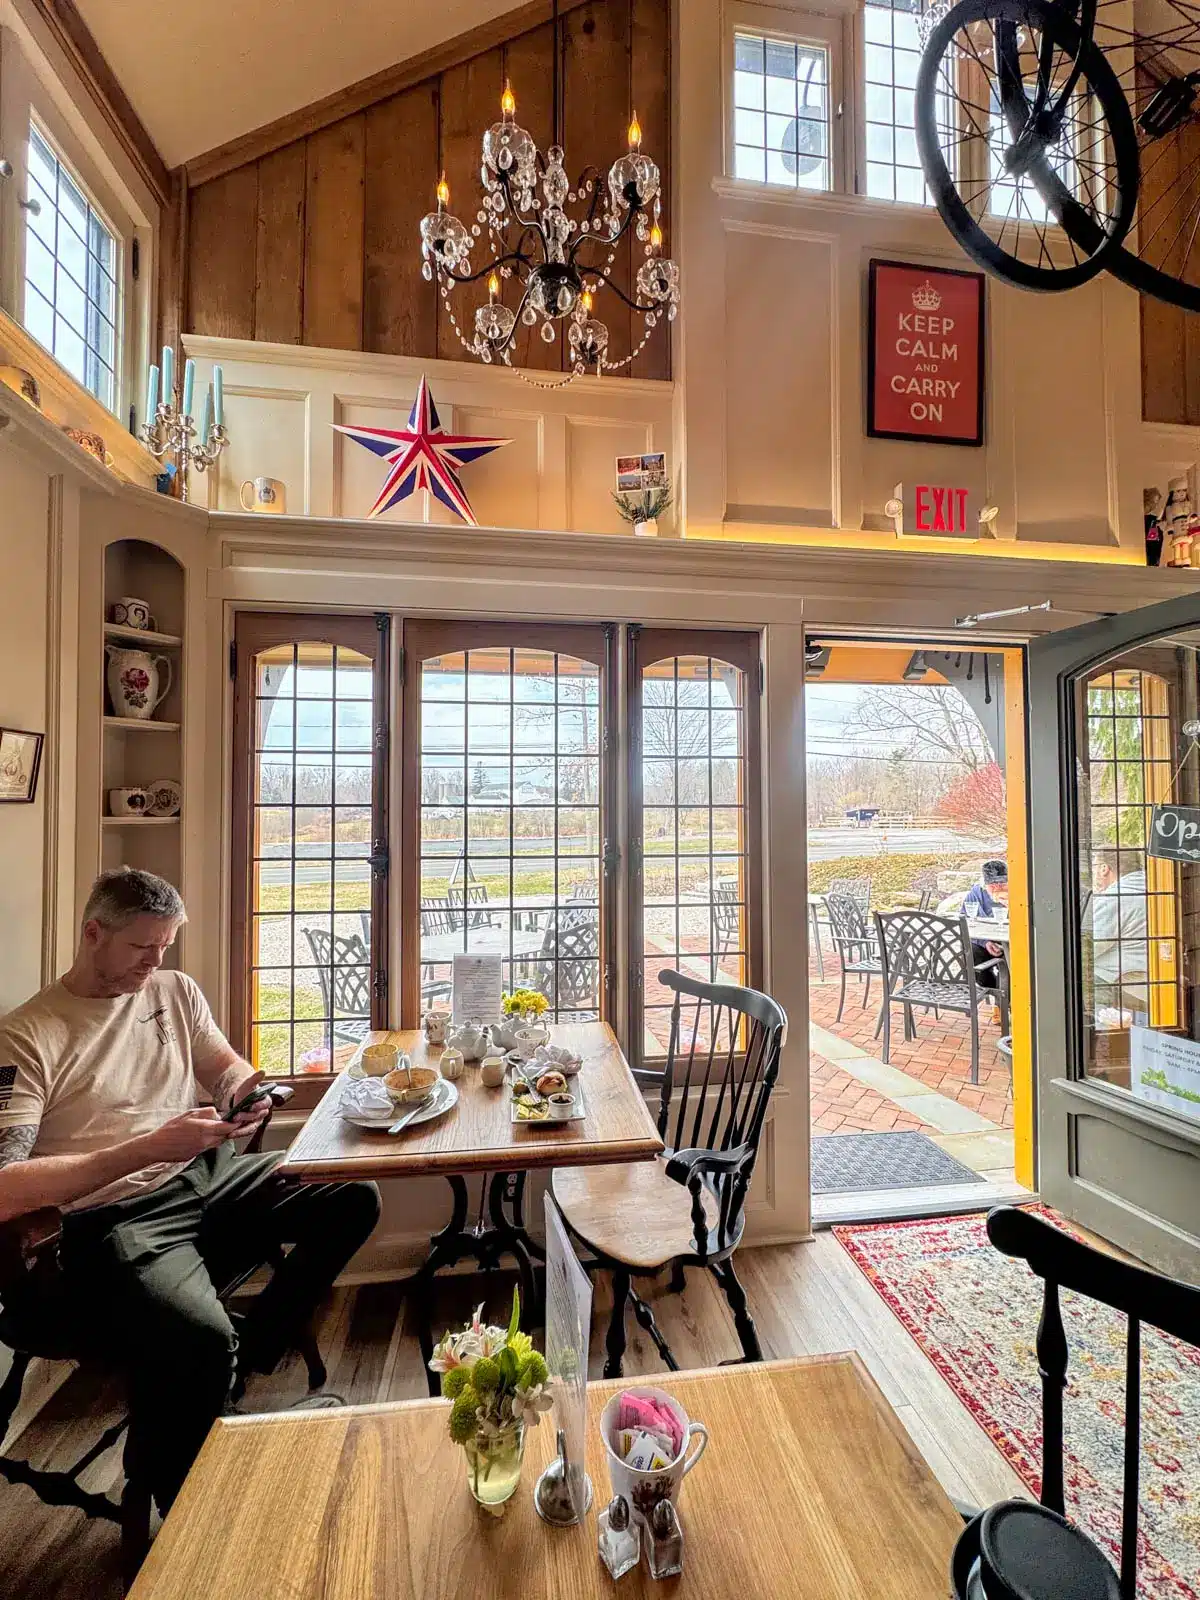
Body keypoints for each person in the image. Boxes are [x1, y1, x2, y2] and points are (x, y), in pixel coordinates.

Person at [0, 868, 381, 1513]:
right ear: (93, 934)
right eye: (141, 947)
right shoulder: (28, 1035)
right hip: (114, 1218)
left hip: (206, 1175)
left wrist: (244, 1093)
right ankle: (184, 1508)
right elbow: (5, 1188)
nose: (155, 962)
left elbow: (223, 1065)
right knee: (202, 1339)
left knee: (353, 1194)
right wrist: (147, 1149)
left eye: (164, 946)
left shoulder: (173, 990)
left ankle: (242, 1364)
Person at [1090, 847, 1149, 1014]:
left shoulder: (1114, 897)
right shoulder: (1149, 887)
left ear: (1104, 868)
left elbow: (1091, 947)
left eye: (1094, 867)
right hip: (1148, 976)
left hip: (1127, 982)